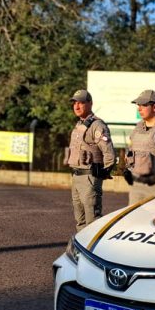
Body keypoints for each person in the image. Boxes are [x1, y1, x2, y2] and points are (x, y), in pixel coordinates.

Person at [66, 89, 116, 232]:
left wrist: (100, 175)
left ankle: (96, 252)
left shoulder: (97, 125)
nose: (76, 106)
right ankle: (82, 251)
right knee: (80, 220)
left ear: (90, 103)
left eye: (81, 102)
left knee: (93, 222)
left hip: (89, 177)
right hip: (76, 176)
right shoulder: (79, 125)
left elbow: (109, 153)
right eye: (74, 103)